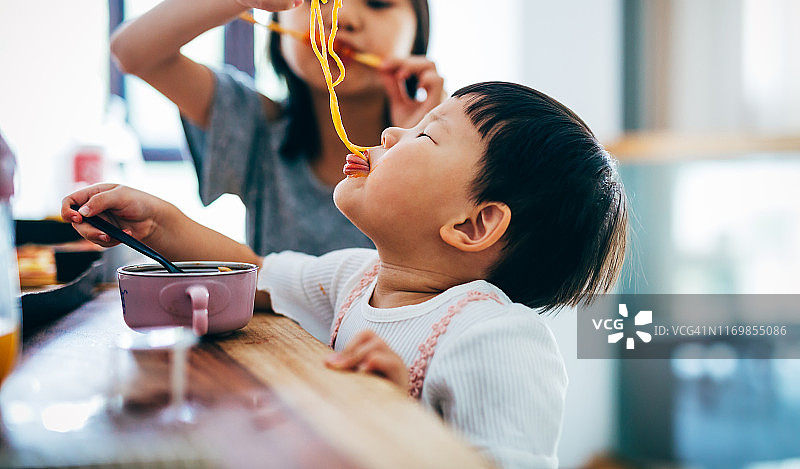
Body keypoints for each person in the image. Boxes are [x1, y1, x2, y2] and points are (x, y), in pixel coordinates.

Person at [63, 82, 628, 468]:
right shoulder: (355, 278)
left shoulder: (497, 340)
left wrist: (401, 423)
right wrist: (161, 222)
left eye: (426, 135)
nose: (389, 135)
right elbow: (255, 276)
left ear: (473, 225)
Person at [110, 0, 443, 256]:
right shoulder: (257, 126)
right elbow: (131, 51)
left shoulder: (455, 146)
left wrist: (421, 149)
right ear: (277, 15)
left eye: (378, 2)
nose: (342, 18)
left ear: (418, 29)